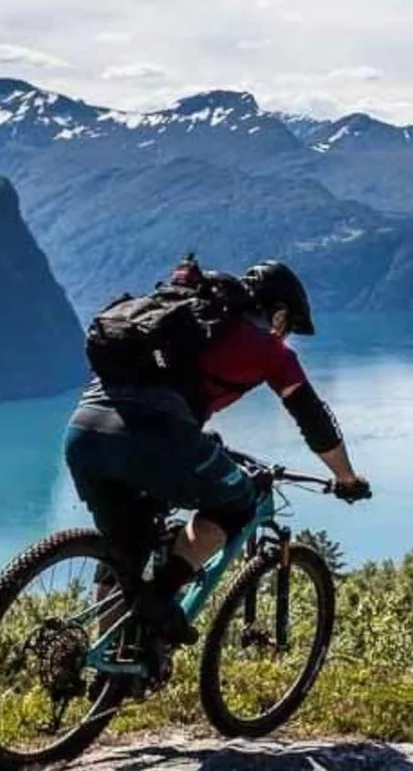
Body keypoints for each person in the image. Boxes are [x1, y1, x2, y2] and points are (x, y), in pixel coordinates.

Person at [63, 260, 369, 644]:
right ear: (278, 315)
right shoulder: (267, 347)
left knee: (126, 547)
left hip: (83, 431)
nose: (286, 336)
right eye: (289, 326)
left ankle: (105, 660)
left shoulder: (184, 321)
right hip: (155, 435)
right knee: (237, 504)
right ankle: (159, 599)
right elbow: (312, 418)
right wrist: (346, 478)